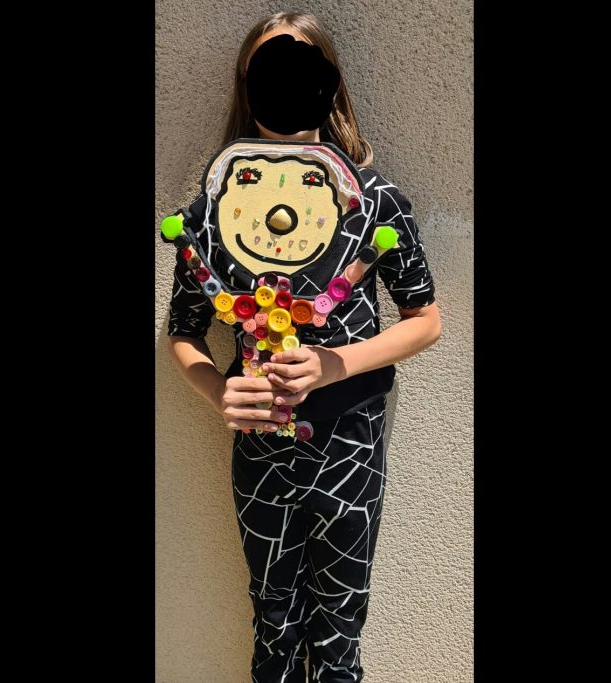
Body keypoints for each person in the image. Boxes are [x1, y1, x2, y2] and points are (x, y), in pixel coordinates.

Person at [165, 10, 441, 683]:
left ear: (328, 84)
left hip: (349, 440)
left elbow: (424, 319)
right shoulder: (213, 209)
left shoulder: (373, 201)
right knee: (272, 624)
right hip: (260, 448)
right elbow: (183, 331)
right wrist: (219, 392)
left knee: (339, 633)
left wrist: (331, 364)